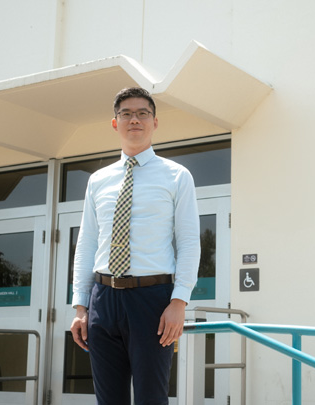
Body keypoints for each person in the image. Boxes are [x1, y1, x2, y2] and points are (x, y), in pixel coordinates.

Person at [70, 87, 201, 405]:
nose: (135, 119)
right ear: (115, 123)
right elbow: (87, 242)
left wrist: (179, 301)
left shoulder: (176, 176)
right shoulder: (99, 180)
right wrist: (80, 306)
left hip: (152, 301)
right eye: (126, 113)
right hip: (103, 299)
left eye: (143, 113)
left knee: (150, 398)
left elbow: (188, 241)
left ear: (155, 122)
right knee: (108, 399)